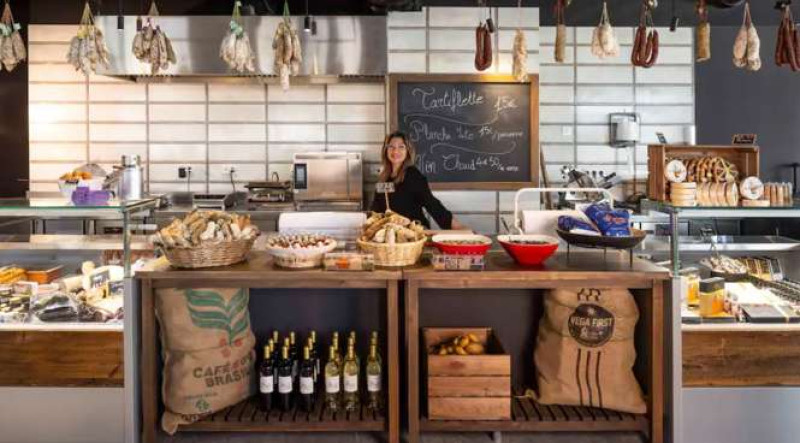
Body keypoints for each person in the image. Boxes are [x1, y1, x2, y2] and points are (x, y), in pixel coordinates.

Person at [370, 131, 465, 230]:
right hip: (391, 233)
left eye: (401, 147)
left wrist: (458, 227)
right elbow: (376, 209)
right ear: (386, 150)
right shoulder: (383, 178)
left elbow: (432, 204)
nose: (395, 151)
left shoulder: (413, 175)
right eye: (391, 147)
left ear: (408, 151)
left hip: (415, 232)